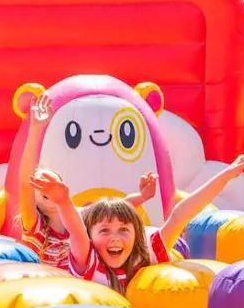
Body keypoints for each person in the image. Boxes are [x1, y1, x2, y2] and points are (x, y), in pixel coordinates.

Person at [32, 152, 244, 293]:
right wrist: (63, 201)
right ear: (92, 236)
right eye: (104, 230)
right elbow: (77, 231)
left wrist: (226, 174)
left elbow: (181, 214)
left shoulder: (149, 253)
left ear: (137, 233)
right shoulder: (88, 259)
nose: (115, 236)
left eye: (124, 229)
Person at [14, 93, 155, 269]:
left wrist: (142, 197)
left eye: (52, 180)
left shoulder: (80, 217)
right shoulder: (36, 228)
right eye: (40, 182)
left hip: (84, 286)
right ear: (36, 197)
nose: (46, 183)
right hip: (48, 287)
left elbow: (115, 209)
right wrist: (36, 129)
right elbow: (25, 184)